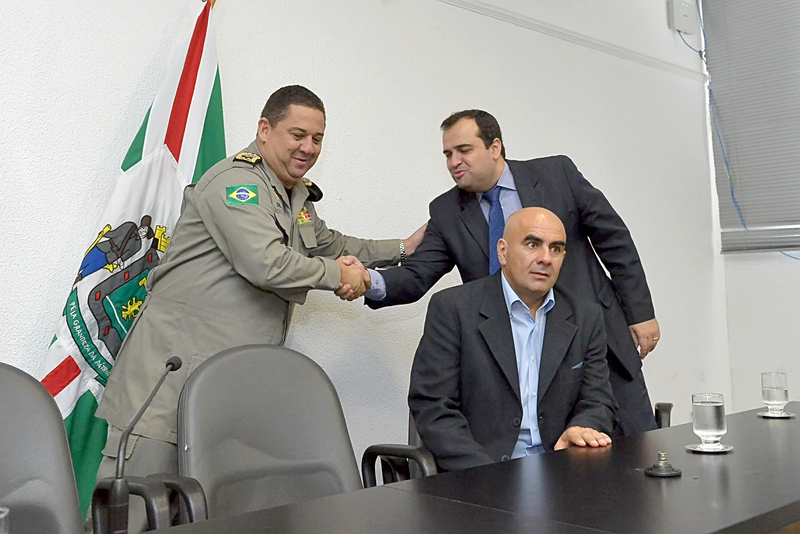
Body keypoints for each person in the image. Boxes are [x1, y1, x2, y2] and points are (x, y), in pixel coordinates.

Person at [94, 85, 423, 531]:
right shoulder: (237, 185)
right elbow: (265, 263)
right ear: (265, 129)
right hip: (169, 381)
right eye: (298, 135)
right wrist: (340, 276)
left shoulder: (292, 194)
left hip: (223, 388)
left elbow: (329, 244)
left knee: (206, 514)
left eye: (317, 139)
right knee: (141, 516)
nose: (308, 148)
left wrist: (402, 248)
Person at [365, 109, 660, 435]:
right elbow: (417, 274)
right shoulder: (447, 211)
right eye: (448, 154)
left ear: (494, 147)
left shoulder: (556, 174)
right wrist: (367, 280)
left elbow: (614, 240)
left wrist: (640, 313)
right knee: (553, 450)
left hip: (595, 342)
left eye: (464, 150)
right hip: (523, 362)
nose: (453, 162)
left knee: (637, 448)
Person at [409, 207, 616, 472]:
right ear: (503, 252)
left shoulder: (585, 316)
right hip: (479, 474)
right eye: (532, 244)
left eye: (555, 249)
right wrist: (489, 474)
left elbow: (599, 401)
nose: (545, 258)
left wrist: (580, 428)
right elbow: (433, 407)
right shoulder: (454, 309)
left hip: (559, 472)